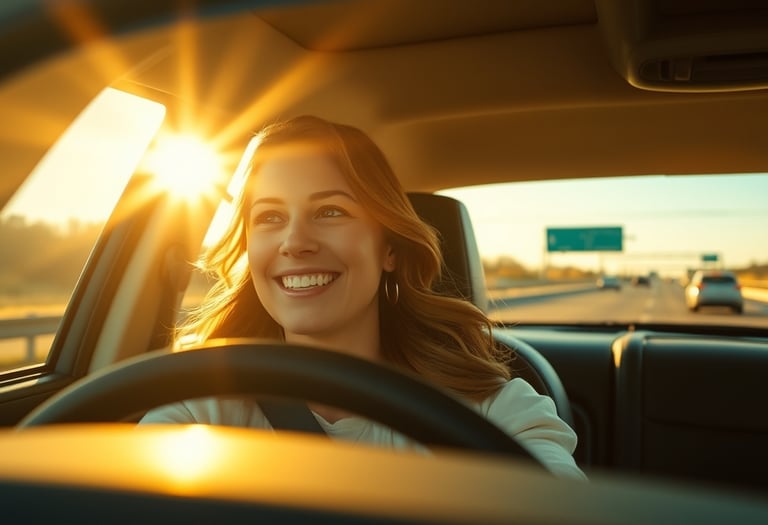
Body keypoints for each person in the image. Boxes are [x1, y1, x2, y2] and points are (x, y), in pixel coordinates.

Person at [140, 115, 587, 481]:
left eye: (330, 211)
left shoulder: (488, 409)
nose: (295, 242)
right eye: (271, 216)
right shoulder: (200, 401)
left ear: (389, 248)